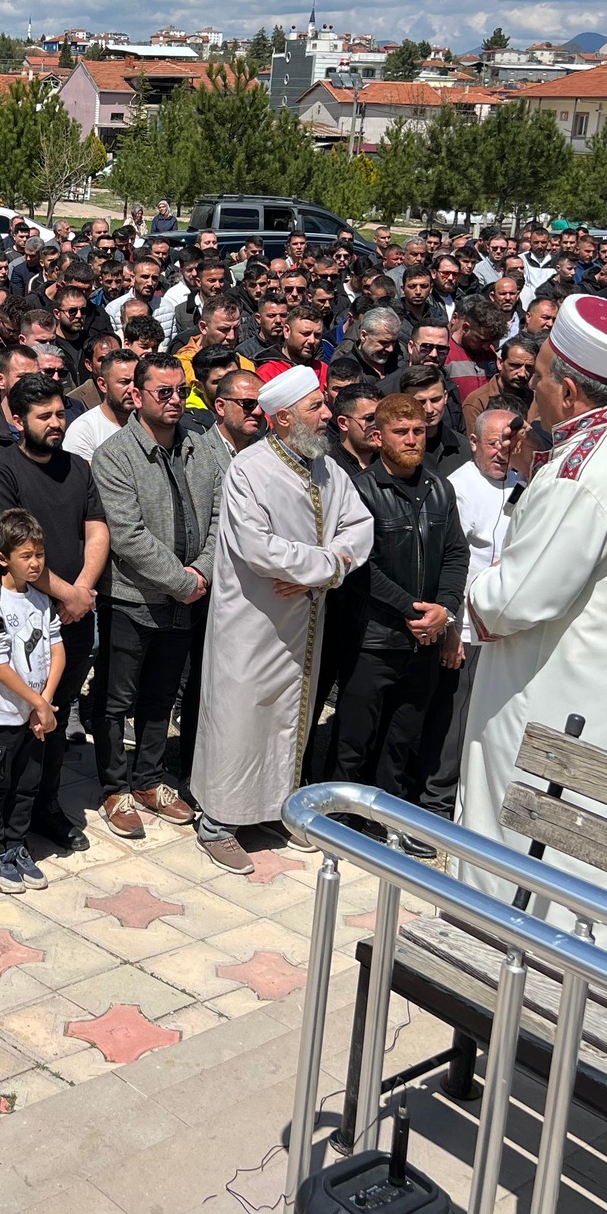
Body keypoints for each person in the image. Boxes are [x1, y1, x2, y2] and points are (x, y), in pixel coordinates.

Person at [459, 295, 607, 967]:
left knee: (532, 863)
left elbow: (511, 601)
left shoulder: (579, 474)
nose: (528, 388)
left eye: (537, 376)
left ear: (567, 390)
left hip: (557, 706)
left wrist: (474, 588)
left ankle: (502, 971)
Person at [190, 368, 373, 861]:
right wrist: (324, 566)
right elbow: (258, 547)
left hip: (304, 622)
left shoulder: (328, 469)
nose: (328, 415)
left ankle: (274, 809)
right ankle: (217, 823)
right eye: (316, 407)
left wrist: (323, 571)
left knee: (290, 719)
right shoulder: (248, 470)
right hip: (252, 624)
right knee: (240, 718)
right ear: (285, 418)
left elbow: (359, 526)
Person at [0, 375, 106, 853]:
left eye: (59, 414)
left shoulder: (78, 467)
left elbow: (97, 528)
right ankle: (4, 821)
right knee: (20, 720)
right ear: (16, 420)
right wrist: (67, 594)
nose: (56, 423)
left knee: (57, 711)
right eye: (43, 416)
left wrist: (81, 591)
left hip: (74, 617)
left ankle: (44, 806)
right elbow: (11, 551)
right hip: (24, 619)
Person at [328, 394, 467, 854]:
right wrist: (411, 609)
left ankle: (391, 819)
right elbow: (359, 566)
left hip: (424, 639)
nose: (412, 439)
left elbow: (455, 553)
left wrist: (444, 608)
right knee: (355, 737)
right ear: (378, 436)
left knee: (403, 739)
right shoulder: (360, 490)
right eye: (400, 431)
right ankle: (342, 818)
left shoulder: (440, 488)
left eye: (418, 431)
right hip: (374, 638)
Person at [86, 353, 214, 839]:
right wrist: (183, 581)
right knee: (116, 699)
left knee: (161, 695)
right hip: (133, 599)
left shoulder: (199, 446)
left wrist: (201, 571)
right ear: (137, 396)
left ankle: (149, 779)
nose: (176, 400)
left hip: (187, 598)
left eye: (182, 390)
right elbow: (127, 534)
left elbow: (220, 515)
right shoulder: (115, 455)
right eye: (164, 392)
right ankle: (114, 787)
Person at [417, 403, 522, 822]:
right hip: (465, 629)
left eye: (509, 442)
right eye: (494, 443)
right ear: (474, 442)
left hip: (503, 629)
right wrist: (452, 631)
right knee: (452, 722)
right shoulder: (456, 488)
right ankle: (435, 805)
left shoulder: (521, 483)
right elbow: (450, 565)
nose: (502, 451)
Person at [0, 508, 65, 894]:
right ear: (3, 558)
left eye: (39, 554)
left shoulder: (41, 600)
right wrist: (37, 703)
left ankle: (16, 845)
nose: (35, 563)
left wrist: (45, 702)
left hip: (35, 715)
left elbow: (57, 650)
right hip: (2, 714)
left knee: (27, 784)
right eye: (26, 555)